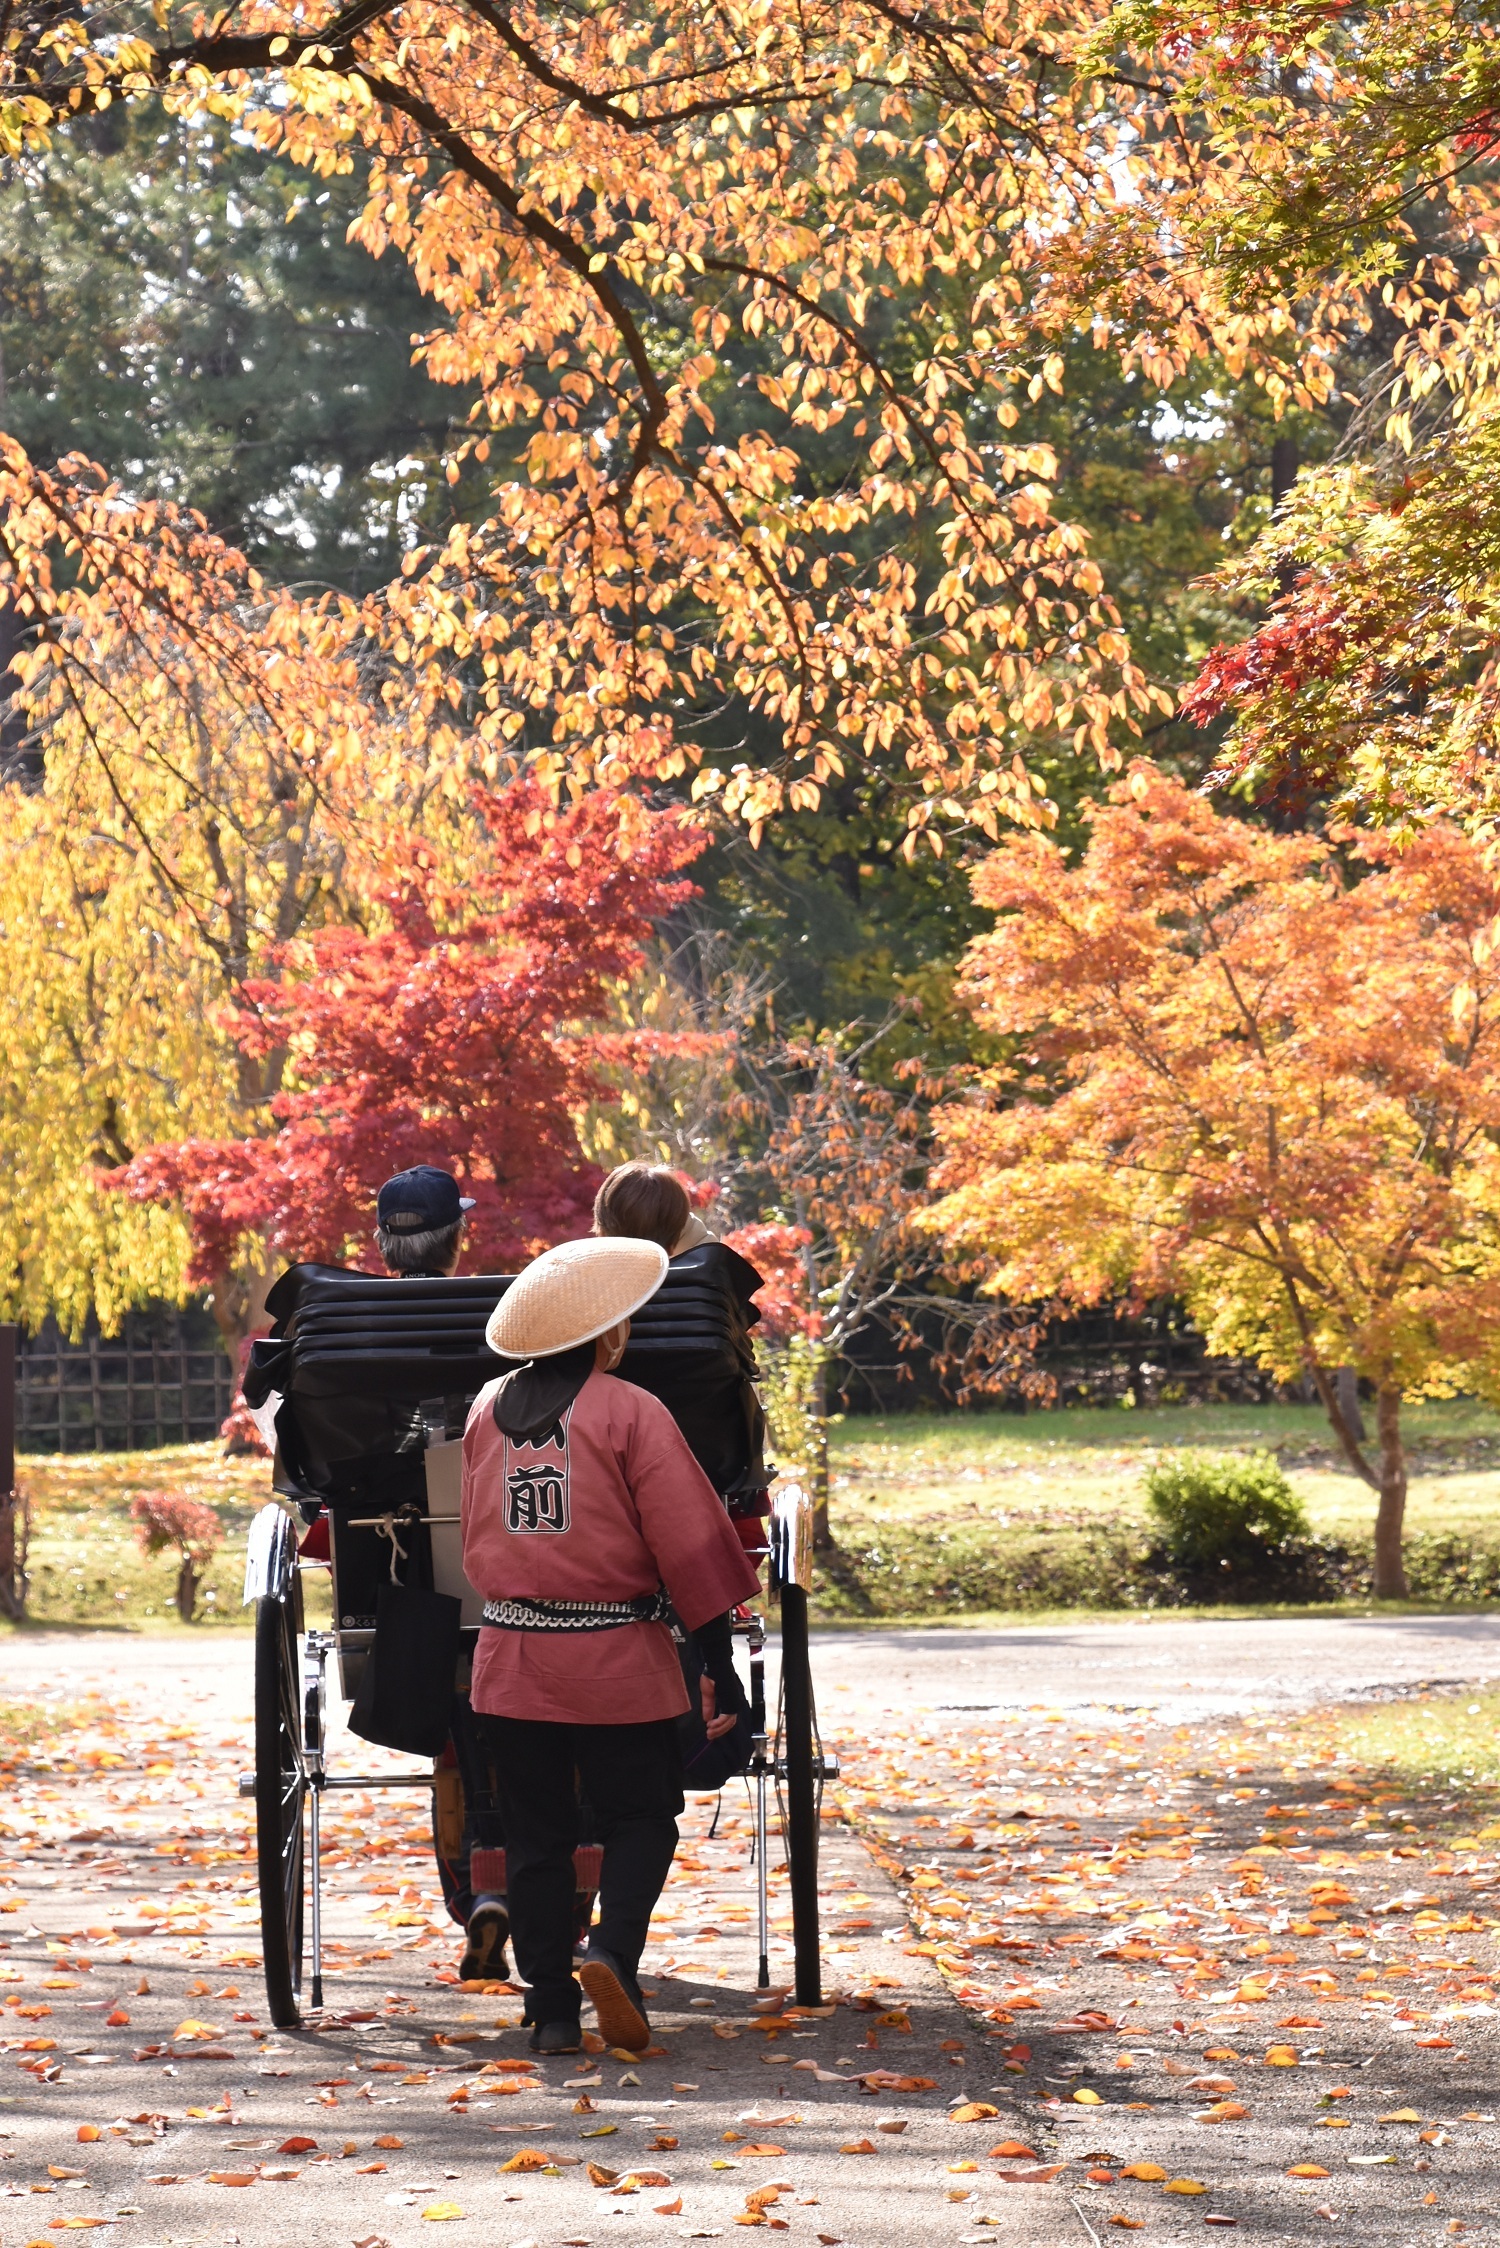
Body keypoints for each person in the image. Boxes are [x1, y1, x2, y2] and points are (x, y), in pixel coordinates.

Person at [461, 1236, 760, 2054]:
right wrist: (721, 1669)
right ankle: (615, 1956)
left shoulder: (484, 1408)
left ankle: (553, 2007)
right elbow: (689, 1544)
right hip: (617, 1658)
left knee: (535, 1835)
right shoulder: (629, 1410)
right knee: (641, 1817)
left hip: (510, 1658)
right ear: (609, 1332)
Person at [370, 1165, 511, 1987]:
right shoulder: (497, 1318)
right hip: (511, 1551)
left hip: (403, 1573)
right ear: (457, 1236)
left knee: (458, 1730)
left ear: (385, 1242)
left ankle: (472, 1898)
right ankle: (558, 1903)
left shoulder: (346, 1322)